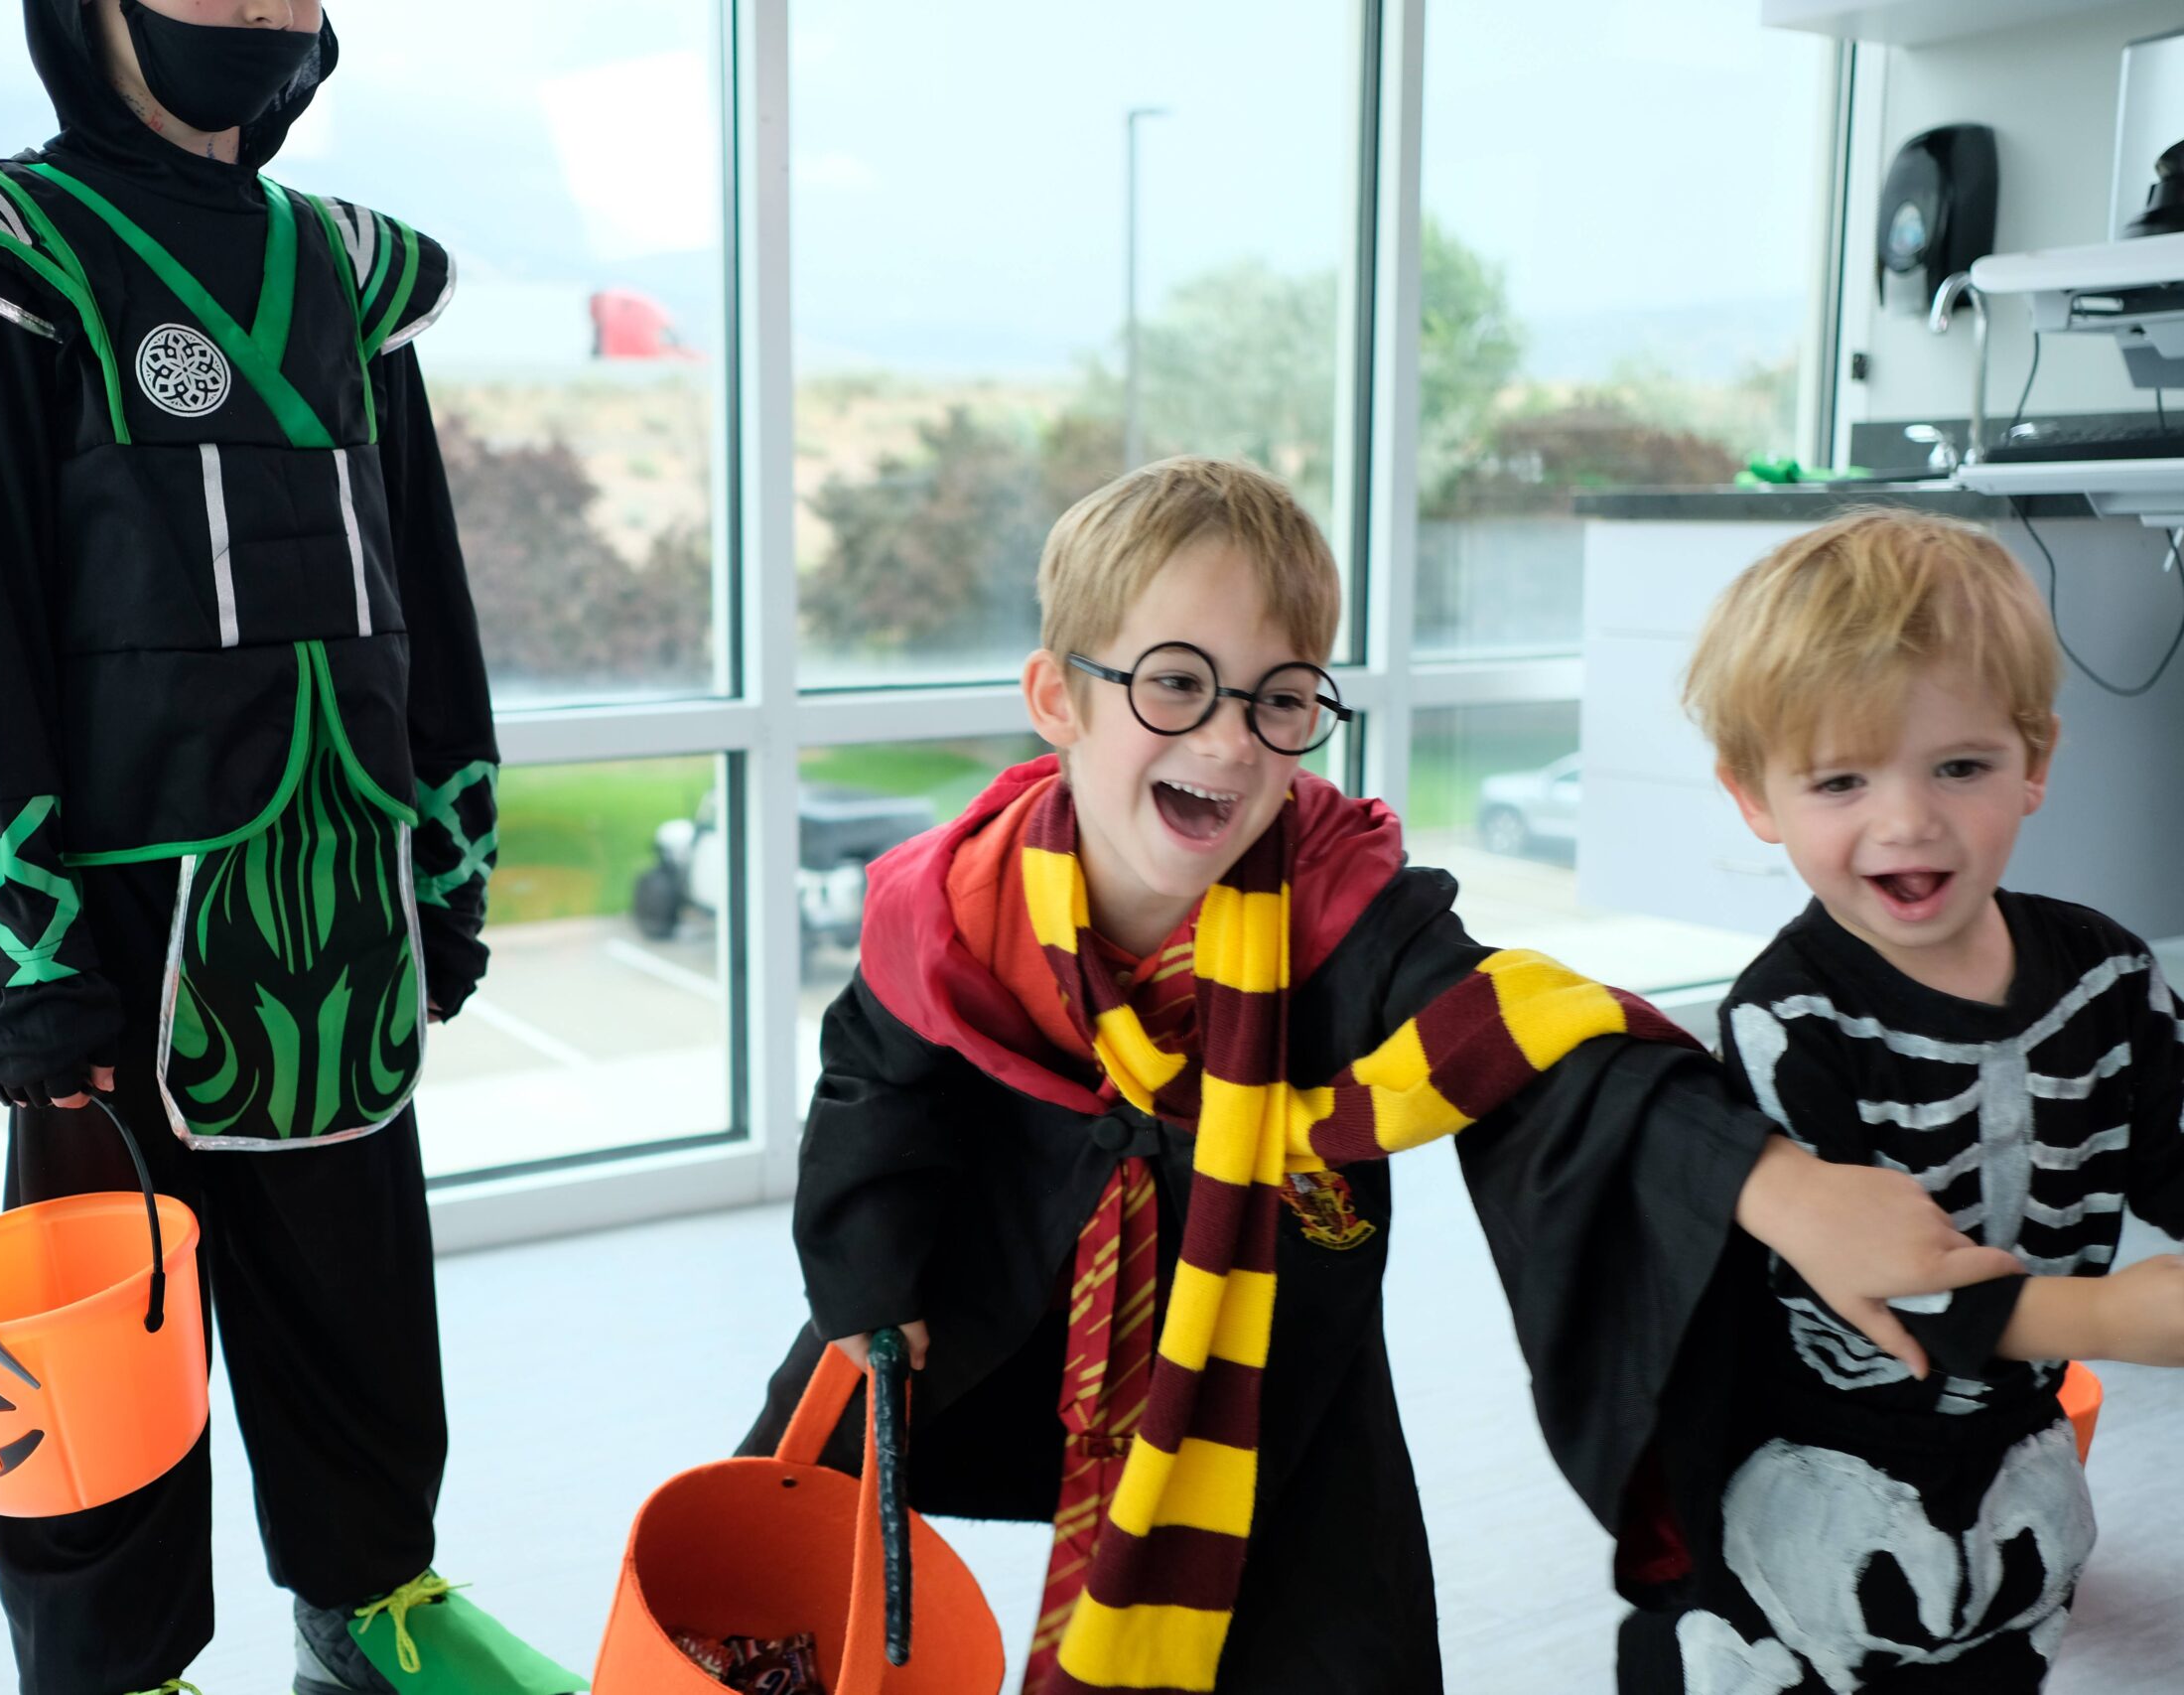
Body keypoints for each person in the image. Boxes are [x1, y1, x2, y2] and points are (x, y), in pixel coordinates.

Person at [738, 457, 2023, 1694]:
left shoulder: (1345, 907)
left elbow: (1540, 1041)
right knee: (772, 1557)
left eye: (1279, 697)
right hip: (984, 1281)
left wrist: (1778, 1184)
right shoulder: (953, 905)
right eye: (1178, 683)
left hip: (1261, 1339)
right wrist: (871, 1274)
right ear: (1058, 696)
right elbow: (877, 1074)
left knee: (1335, 1649)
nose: (1232, 742)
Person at [0, 5, 576, 1693]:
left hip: (343, 884)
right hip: (118, 920)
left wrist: (447, 861)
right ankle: (116, 1669)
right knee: (102, 1334)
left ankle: (373, 1606)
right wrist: (34, 961)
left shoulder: (351, 270)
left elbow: (425, 597)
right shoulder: (14, 250)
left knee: (363, 1291)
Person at [1618, 508, 2184, 1693]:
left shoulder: (2112, 976)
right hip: (1820, 1462)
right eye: (1839, 778)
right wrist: (2112, 1323)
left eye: (1959, 766)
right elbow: (1879, 1282)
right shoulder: (1787, 1018)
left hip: (2018, 1452)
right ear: (1754, 798)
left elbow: (2169, 1148)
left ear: (2035, 761)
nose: (1906, 820)